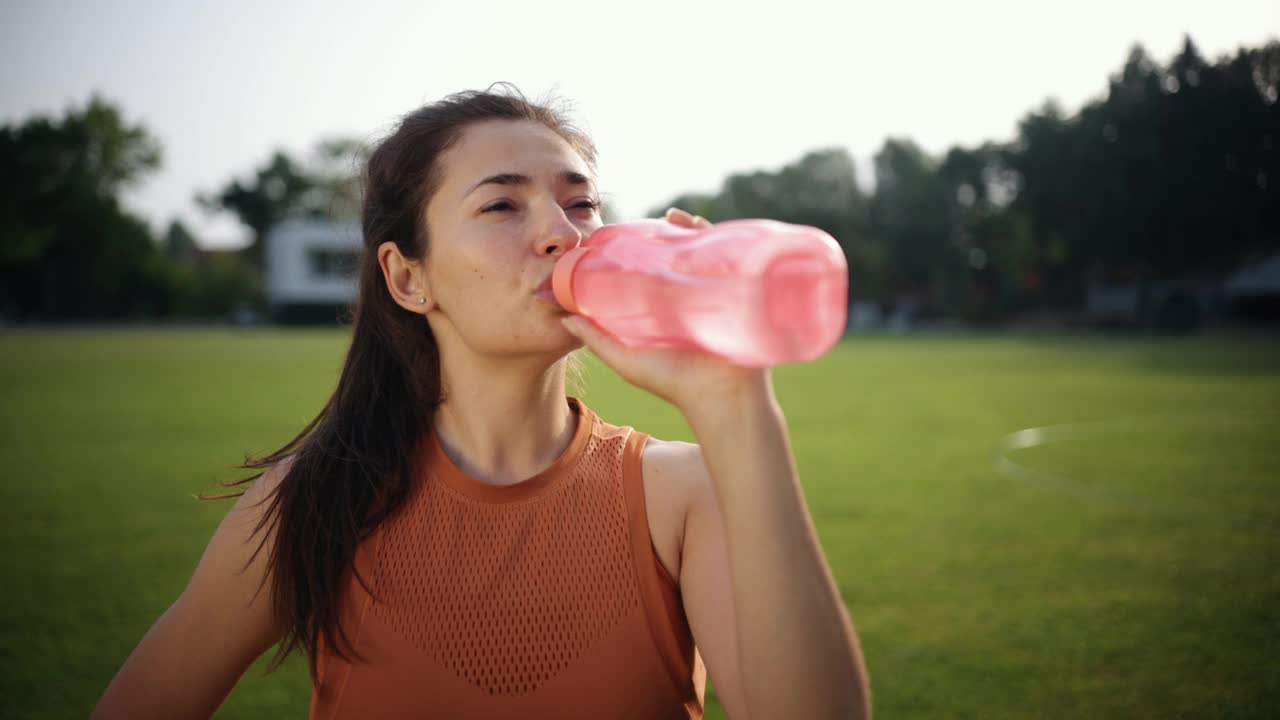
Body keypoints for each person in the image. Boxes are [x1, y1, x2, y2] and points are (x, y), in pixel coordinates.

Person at [92, 85, 870, 720]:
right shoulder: (316, 502)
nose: (562, 234)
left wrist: (735, 401)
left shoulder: (681, 494)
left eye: (581, 204)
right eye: (503, 206)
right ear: (407, 278)